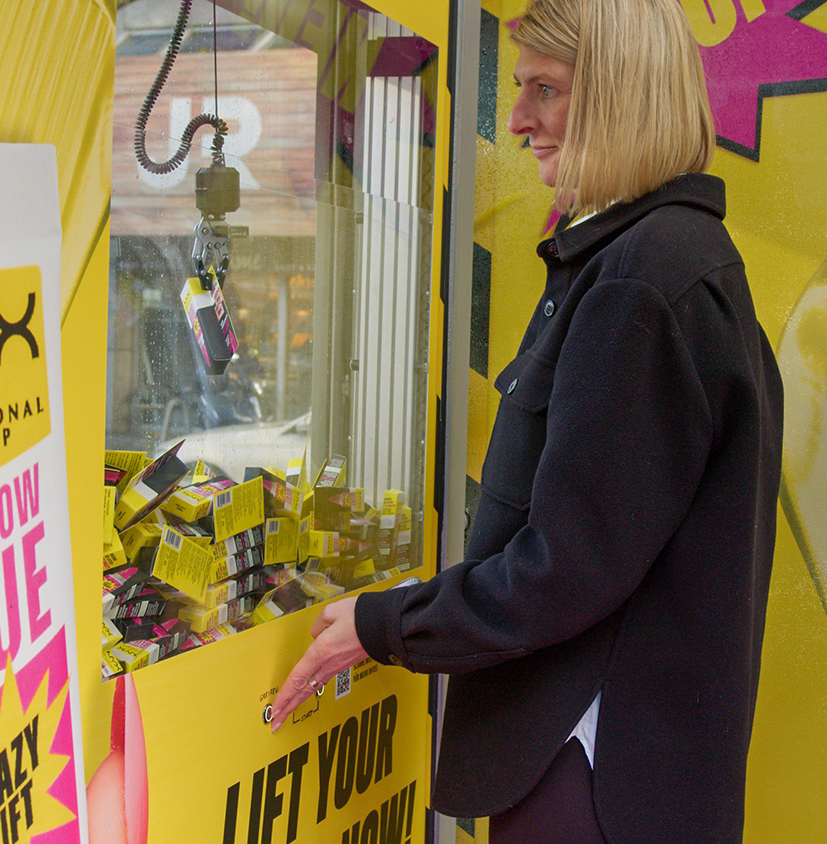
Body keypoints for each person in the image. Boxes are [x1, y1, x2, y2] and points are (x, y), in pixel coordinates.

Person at [271, 0, 783, 840]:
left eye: (545, 89)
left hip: (590, 773)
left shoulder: (640, 280)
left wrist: (383, 623)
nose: (518, 120)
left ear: (621, 95)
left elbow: (562, 571)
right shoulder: (669, 261)